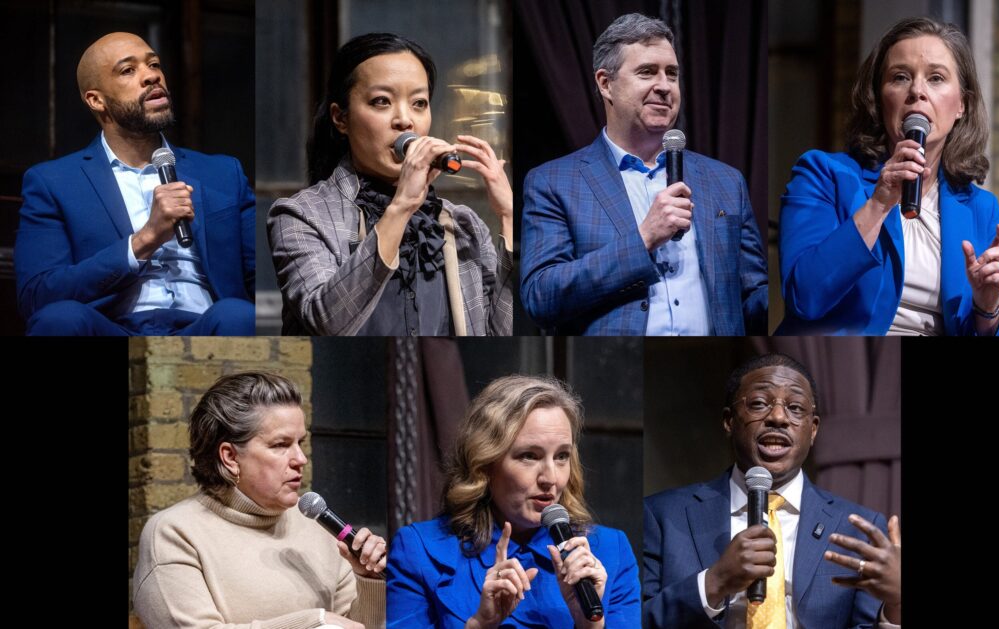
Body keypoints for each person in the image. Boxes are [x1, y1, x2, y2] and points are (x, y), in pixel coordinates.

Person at [520, 13, 768, 336]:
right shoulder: (554, 183)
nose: (664, 86)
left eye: (672, 74)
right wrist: (643, 239)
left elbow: (753, 296)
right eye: (647, 72)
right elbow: (541, 296)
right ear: (605, 83)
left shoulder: (725, 181)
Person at [777, 17, 999, 335]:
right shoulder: (823, 174)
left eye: (936, 78)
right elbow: (804, 297)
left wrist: (987, 308)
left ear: (962, 105)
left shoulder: (981, 208)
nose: (917, 91)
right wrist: (878, 204)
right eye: (900, 77)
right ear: (880, 96)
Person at [267, 32, 513, 336]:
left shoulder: (464, 225)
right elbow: (328, 324)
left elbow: (501, 333)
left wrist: (509, 216)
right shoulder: (300, 215)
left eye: (419, 103)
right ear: (340, 118)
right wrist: (401, 207)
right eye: (381, 101)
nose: (404, 120)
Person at [15, 32, 255, 336]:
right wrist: (144, 240)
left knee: (239, 315)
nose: (151, 76)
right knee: (60, 319)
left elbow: (262, 277)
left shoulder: (222, 172)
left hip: (209, 324)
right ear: (96, 99)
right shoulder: (53, 182)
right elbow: (38, 296)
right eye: (129, 70)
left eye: (154, 64)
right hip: (108, 327)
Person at [643, 354, 901, 629]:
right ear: (729, 421)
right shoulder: (662, 515)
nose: (778, 417)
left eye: (795, 408)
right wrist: (715, 581)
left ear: (812, 430)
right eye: (758, 404)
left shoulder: (858, 527)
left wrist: (896, 607)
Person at [132, 372, 386, 629]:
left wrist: (369, 581)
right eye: (280, 445)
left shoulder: (317, 528)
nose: (300, 458)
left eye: (300, 443)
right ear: (230, 456)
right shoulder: (174, 533)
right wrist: (311, 623)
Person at [387, 375, 640, 627]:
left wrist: (589, 625)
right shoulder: (418, 550)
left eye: (562, 456)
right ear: (484, 464)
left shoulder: (611, 551)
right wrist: (480, 625)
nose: (550, 478)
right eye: (529, 456)